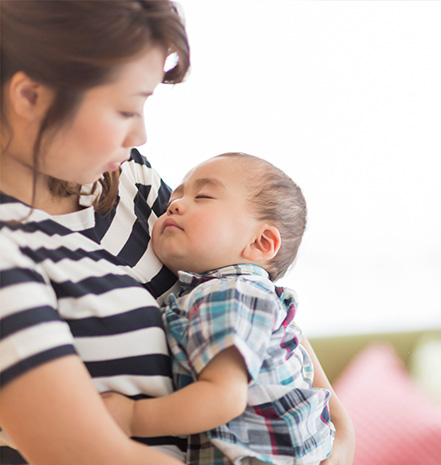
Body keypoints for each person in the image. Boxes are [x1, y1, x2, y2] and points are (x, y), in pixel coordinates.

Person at [0, 2, 354, 465]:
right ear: (29, 96)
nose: (141, 135)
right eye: (126, 109)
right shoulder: (11, 246)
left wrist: (339, 436)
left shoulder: (126, 180)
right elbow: (78, 449)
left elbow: (248, 290)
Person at [103, 153, 334, 465]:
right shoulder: (241, 293)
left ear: (261, 243)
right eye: (177, 194)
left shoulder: (229, 293)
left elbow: (223, 397)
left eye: (204, 196)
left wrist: (132, 416)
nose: (175, 204)